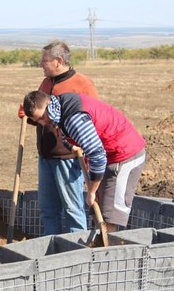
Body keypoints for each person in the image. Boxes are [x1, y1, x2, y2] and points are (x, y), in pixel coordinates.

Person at [23, 90, 146, 232]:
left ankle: (110, 248)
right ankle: (99, 245)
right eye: (38, 120)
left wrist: (92, 191)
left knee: (110, 214)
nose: (43, 123)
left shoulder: (73, 118)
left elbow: (98, 157)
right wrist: (72, 146)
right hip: (109, 154)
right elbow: (65, 133)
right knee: (97, 207)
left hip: (126, 153)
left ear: (48, 103)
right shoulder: (59, 106)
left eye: (42, 117)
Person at [18, 41, 99, 235]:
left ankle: (76, 252)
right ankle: (51, 251)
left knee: (73, 209)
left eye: (44, 60)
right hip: (45, 157)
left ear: (58, 61)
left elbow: (93, 120)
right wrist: (28, 115)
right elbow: (42, 116)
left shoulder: (82, 84)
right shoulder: (46, 82)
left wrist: (86, 156)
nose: (41, 65)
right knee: (47, 210)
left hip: (68, 159)